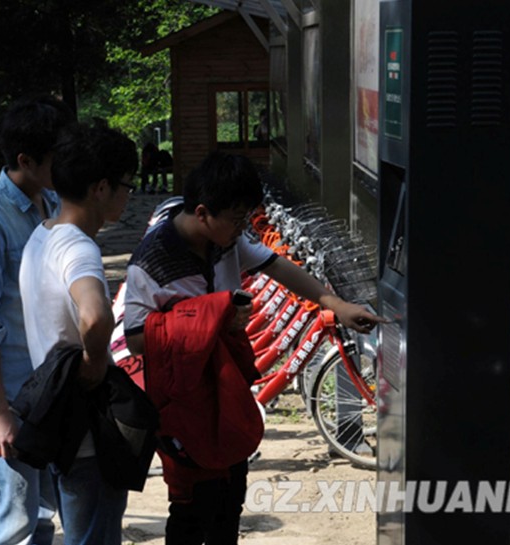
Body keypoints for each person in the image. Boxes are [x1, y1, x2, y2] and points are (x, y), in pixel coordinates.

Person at [123, 151, 385, 545]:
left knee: (231, 498)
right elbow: (137, 338)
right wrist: (212, 318)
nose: (243, 228)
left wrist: (338, 306)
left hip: (228, 394)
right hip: (184, 404)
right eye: (236, 219)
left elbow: (276, 266)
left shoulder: (227, 240)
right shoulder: (150, 262)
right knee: (192, 508)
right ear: (202, 213)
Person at [0, 97, 73, 545]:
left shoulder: (54, 200)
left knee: (43, 512)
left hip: (49, 383)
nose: (67, 164)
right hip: (7, 392)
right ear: (25, 160)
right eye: (58, 156)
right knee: (14, 518)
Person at [19, 122, 138, 544]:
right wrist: (94, 361)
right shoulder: (79, 248)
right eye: (128, 184)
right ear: (101, 188)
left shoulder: (42, 235)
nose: (130, 194)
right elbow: (95, 317)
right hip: (86, 434)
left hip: (57, 421)